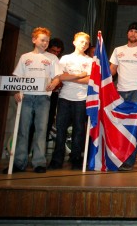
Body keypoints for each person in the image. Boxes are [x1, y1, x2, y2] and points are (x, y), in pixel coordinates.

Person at [4, 27, 61, 174]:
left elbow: (57, 77)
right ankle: (19, 162)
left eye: (47, 41)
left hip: (43, 98)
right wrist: (17, 92)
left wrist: (54, 83)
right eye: (42, 40)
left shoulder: (52, 58)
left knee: (41, 130)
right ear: (34, 40)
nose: (45, 43)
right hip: (27, 97)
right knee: (23, 130)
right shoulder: (25, 57)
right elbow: (18, 77)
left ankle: (39, 163)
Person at [109, 22, 137, 171]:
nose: (133, 34)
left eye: (136, 32)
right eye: (131, 31)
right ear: (127, 33)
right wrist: (99, 74)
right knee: (119, 126)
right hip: (119, 92)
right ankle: (118, 158)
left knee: (133, 127)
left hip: (136, 92)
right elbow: (112, 70)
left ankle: (129, 161)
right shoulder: (118, 50)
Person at [48, 32, 93, 170]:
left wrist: (71, 77)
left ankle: (76, 158)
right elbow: (60, 77)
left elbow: (89, 79)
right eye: (81, 41)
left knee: (79, 130)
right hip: (64, 98)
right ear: (74, 42)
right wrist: (79, 75)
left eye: (86, 43)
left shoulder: (90, 61)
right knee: (60, 129)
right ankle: (57, 159)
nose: (83, 44)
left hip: (81, 98)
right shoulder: (65, 58)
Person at [45, 38, 65, 141]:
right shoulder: (42, 58)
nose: (56, 54)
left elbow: (61, 79)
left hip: (53, 94)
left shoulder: (59, 61)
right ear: (48, 48)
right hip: (39, 92)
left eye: (58, 52)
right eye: (53, 51)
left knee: (49, 119)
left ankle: (44, 142)